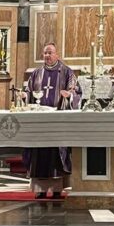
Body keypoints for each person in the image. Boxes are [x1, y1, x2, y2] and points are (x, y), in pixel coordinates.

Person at [23, 43, 81, 199]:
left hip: (58, 120)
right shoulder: (36, 73)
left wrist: (69, 95)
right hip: (39, 121)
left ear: (57, 54)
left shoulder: (67, 72)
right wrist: (24, 96)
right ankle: (40, 189)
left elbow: (75, 90)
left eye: (50, 53)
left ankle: (57, 189)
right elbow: (28, 92)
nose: (47, 56)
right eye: (45, 53)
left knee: (56, 154)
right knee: (39, 154)